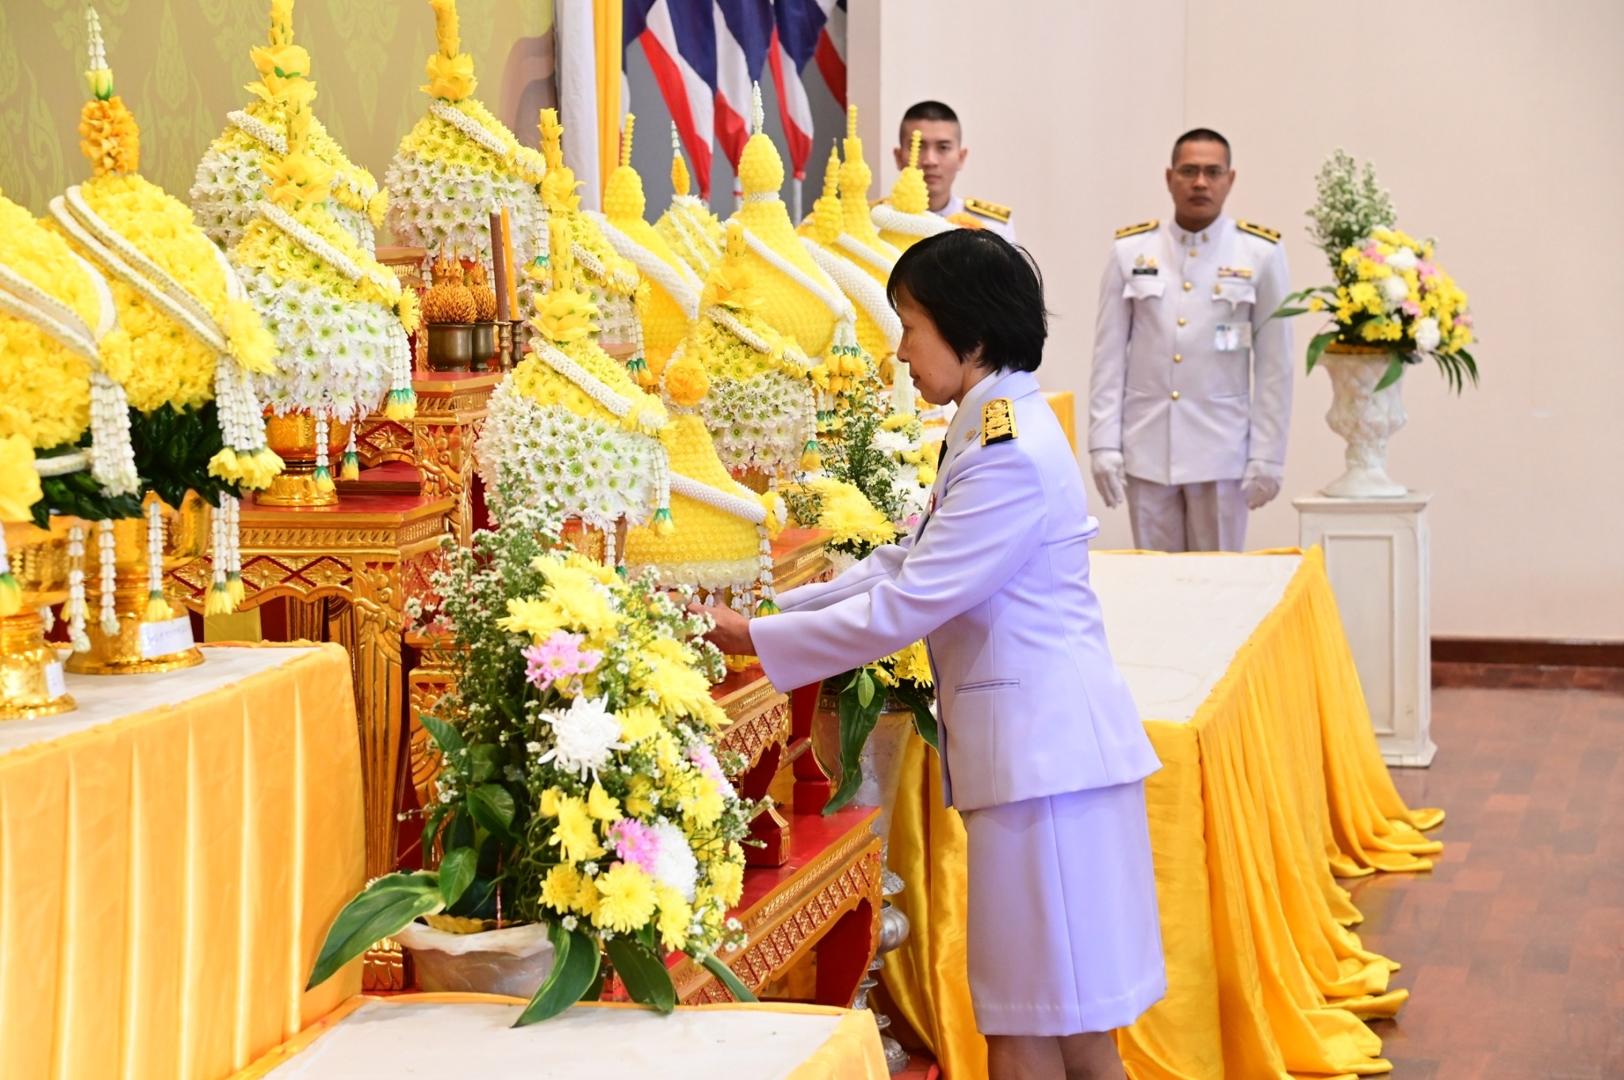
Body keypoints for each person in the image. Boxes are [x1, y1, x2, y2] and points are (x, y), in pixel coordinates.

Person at [698, 229, 1165, 1080]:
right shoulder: (991, 425)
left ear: (971, 336)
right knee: (1070, 1027)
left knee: (1028, 1025)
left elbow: (911, 603)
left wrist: (756, 641)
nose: (902, 350)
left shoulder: (1006, 452)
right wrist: (770, 615)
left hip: (1045, 767)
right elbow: (905, 563)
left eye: (911, 326)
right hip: (1048, 761)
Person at [1087, 128, 1293, 552]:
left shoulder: (1259, 253)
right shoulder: (1132, 250)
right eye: (1189, 171)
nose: (1200, 182)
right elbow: (1108, 356)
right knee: (1154, 577)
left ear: (1230, 180)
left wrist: (1268, 455)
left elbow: (1276, 366)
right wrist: (1103, 442)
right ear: (1169, 177)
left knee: (1219, 580)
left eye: (1212, 172)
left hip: (1222, 451)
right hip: (1147, 447)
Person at [895, 100, 1017, 242]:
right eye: (919, 146)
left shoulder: (992, 226)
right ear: (898, 157)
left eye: (943, 147)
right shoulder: (877, 222)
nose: (930, 161)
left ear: (961, 157)